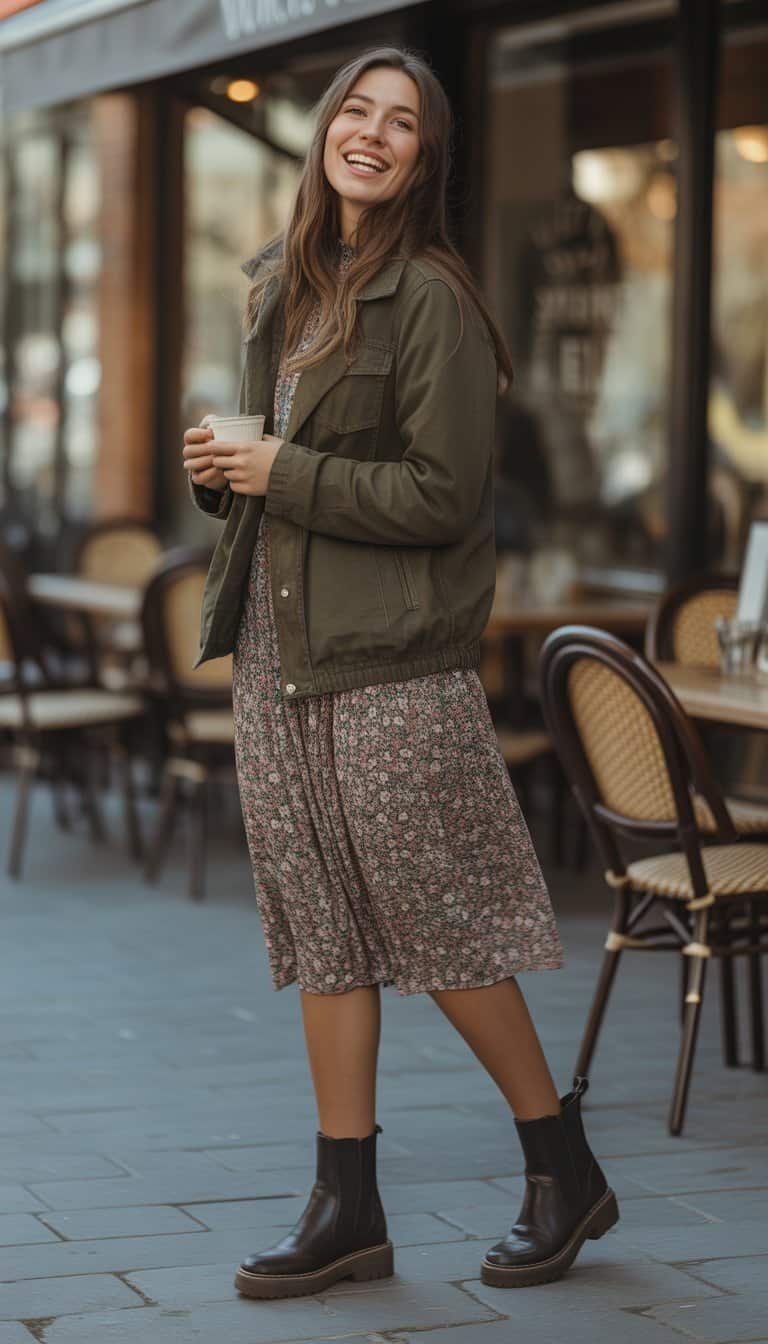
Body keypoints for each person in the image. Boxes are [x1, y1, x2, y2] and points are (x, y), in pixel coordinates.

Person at [182, 45, 618, 1301]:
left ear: (426, 161)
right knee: (325, 935)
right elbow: (272, 482)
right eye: (356, 112)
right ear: (325, 130)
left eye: (403, 124)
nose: (371, 134)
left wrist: (282, 474)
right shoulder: (282, 286)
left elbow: (444, 498)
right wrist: (224, 475)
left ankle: (561, 1164)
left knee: (441, 924)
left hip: (391, 665)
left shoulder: (432, 295)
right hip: (276, 659)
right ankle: (348, 1205)